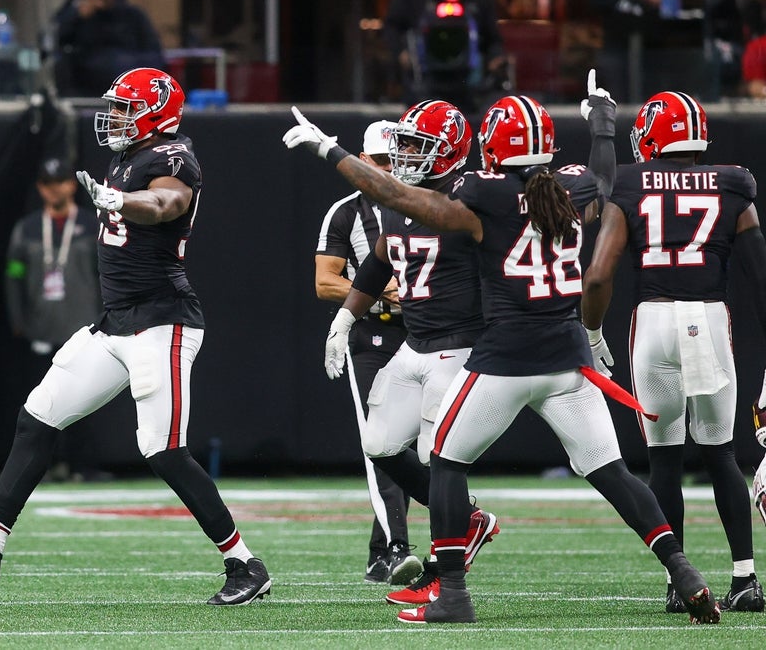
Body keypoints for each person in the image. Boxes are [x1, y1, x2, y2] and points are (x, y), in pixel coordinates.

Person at [283, 70, 721, 625]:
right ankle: (683, 571)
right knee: (612, 472)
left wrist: (331, 150)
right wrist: (603, 124)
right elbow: (605, 178)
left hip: (506, 358)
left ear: (490, 144)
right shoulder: (569, 185)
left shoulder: (478, 193)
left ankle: (454, 596)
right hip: (568, 358)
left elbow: (394, 194)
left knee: (444, 463)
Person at [0, 67, 271, 606]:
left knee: (163, 450)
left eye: (126, 107)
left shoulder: (173, 157)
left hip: (162, 322)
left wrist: (121, 202)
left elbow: (166, 203)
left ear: (156, 111)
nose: (116, 117)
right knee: (38, 416)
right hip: (115, 323)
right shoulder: (129, 155)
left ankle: (244, 564)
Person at [581, 91, 766, 614]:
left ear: (653, 136)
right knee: (721, 454)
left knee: (663, 459)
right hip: (709, 319)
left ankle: (679, 581)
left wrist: (592, 335)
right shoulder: (734, 183)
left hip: (655, 322)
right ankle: (745, 579)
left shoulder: (631, 183)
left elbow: (597, 276)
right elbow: (760, 279)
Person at [324, 100, 498, 607]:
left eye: (418, 145)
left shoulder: (469, 199)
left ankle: (445, 580)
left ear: (448, 154)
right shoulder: (402, 203)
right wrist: (344, 319)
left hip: (460, 345)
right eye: (403, 145)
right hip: (413, 345)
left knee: (438, 457)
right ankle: (470, 521)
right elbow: (378, 265)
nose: (405, 156)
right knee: (378, 442)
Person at [315, 119, 421, 586]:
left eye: (394, 159)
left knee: (417, 448)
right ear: (362, 161)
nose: (388, 169)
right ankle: (396, 549)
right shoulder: (346, 213)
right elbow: (324, 280)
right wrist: (380, 295)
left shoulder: (428, 201)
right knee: (381, 441)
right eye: (379, 161)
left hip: (425, 336)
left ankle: (384, 551)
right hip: (374, 337)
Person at [5, 157, 109, 483]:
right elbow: (14, 274)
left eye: (61, 182)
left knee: (86, 400)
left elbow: (105, 273)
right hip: (41, 326)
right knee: (41, 403)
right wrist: (18, 317)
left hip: (84, 325)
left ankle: (81, 465)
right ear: (40, 188)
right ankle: (45, 467)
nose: (55, 189)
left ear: (70, 185)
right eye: (48, 184)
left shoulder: (92, 224)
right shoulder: (28, 227)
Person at [383, 0, 505, 111]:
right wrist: (401, 52)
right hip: (424, 85)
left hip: (465, 86)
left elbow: (493, 39)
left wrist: (495, 58)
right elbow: (392, 26)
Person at [51, 0, 166, 97]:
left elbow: (153, 51)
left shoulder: (134, 15)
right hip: (85, 83)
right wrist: (76, 17)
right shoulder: (74, 15)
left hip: (127, 82)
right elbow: (56, 40)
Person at [586, 0, 669, 103]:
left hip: (652, 45)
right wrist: (624, 1)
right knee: (619, 96)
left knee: (653, 97)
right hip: (617, 42)